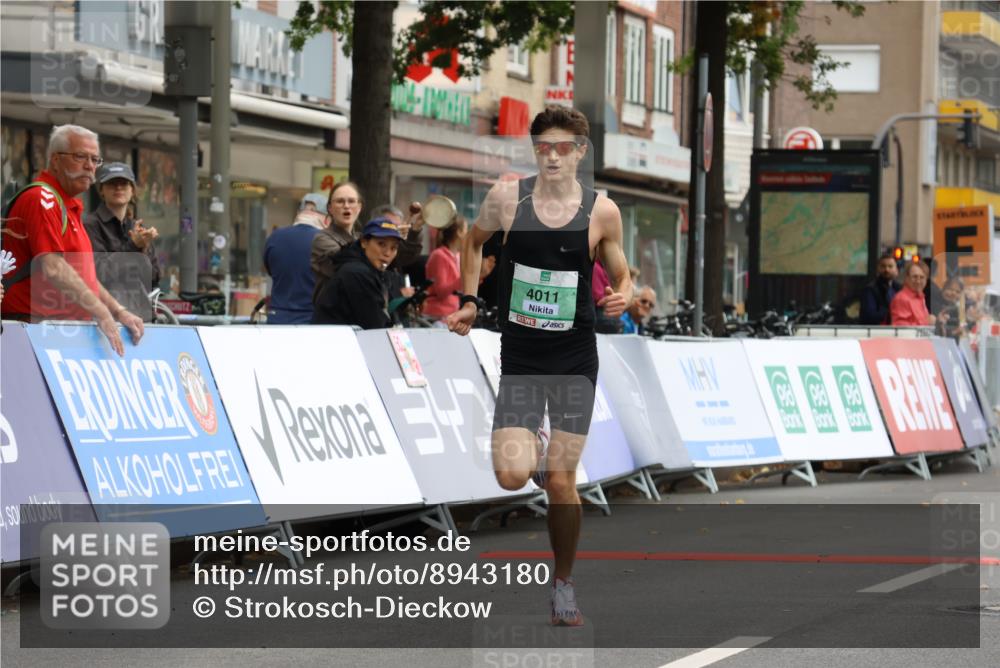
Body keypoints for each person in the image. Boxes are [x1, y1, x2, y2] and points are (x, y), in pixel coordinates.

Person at [446, 107, 632, 627]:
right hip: (523, 357)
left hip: (574, 358)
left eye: (562, 146)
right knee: (509, 476)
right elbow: (472, 240)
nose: (552, 156)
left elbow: (621, 270)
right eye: (543, 146)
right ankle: (539, 449)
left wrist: (625, 294)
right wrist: (468, 297)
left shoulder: (602, 212)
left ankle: (564, 584)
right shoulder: (508, 197)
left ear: (580, 151)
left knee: (560, 482)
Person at [1, 124, 143, 355]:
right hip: (31, 333)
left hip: (55, 334)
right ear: (56, 160)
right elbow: (53, 267)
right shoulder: (42, 198)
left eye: (95, 159)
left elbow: (82, 276)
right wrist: (101, 311)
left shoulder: (67, 205)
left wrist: (117, 311)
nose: (89, 166)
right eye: (80, 157)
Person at [83, 162, 161, 322]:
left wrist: (143, 249)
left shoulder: (138, 228)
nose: (118, 188)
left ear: (132, 190)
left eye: (124, 183)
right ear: (101, 190)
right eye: (112, 183)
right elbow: (99, 274)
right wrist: (133, 247)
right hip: (105, 319)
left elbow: (154, 277)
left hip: (141, 317)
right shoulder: (90, 225)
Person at [312, 216, 404, 329]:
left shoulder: (375, 272)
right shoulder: (356, 273)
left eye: (393, 248)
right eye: (381, 244)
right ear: (364, 242)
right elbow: (375, 325)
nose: (387, 253)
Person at [263, 194, 328, 324]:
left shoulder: (274, 237)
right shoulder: (326, 242)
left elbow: (269, 270)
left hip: (277, 319)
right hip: (312, 321)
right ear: (326, 218)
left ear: (299, 213)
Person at [311, 181, 363, 303]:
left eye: (351, 201)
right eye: (340, 201)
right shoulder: (322, 238)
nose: (346, 206)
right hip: (332, 318)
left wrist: (412, 233)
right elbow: (347, 263)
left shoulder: (362, 239)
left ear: (359, 207)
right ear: (330, 208)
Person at [423, 215, 468, 320]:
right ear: (459, 232)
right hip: (437, 316)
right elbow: (441, 291)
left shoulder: (458, 255)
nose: (468, 234)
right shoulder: (439, 255)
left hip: (451, 314)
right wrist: (465, 278)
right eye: (466, 230)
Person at [859, 253, 900, 325]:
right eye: (883, 266)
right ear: (878, 268)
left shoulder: (899, 288)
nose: (886, 269)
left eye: (890, 266)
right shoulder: (870, 289)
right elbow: (870, 316)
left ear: (896, 269)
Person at [890, 260, 934, 326]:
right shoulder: (901, 298)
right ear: (907, 278)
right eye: (914, 277)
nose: (918, 281)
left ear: (926, 280)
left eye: (922, 277)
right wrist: (926, 322)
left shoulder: (920, 296)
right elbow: (900, 327)